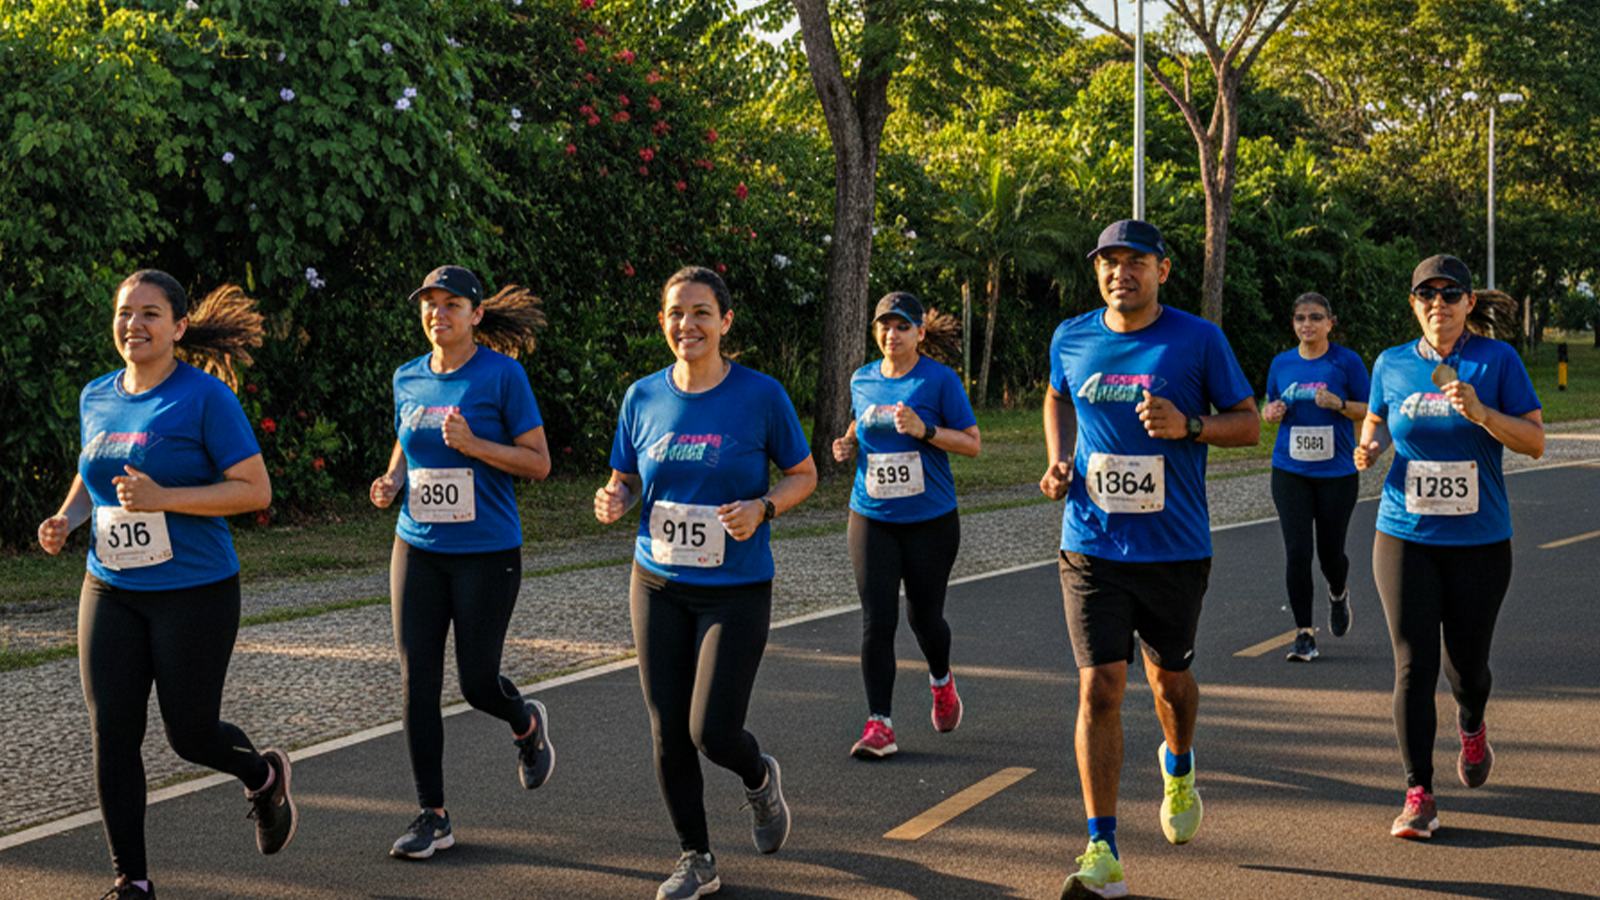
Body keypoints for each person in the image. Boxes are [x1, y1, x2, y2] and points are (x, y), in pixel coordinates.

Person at [36, 271, 294, 900]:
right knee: (113, 732)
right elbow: (91, 470)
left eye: (150, 314)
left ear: (178, 327)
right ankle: (133, 880)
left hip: (195, 589)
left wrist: (164, 498)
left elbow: (254, 490)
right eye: (126, 312)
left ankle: (262, 776)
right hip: (111, 588)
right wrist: (69, 517)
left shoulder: (205, 399)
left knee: (190, 735)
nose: (134, 325)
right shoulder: (96, 394)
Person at [1043, 221, 1259, 900]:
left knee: (1168, 685)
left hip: (1174, 548)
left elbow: (1249, 423)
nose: (1120, 273)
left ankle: (1180, 765)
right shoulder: (1071, 337)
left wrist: (1190, 425)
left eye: (1135, 262)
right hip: (1091, 542)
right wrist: (1058, 458)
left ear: (1163, 271)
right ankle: (1102, 847)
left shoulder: (1198, 339)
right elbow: (1056, 394)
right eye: (1109, 262)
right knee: (1100, 686)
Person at [594, 265, 816, 900]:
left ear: (725, 322)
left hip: (736, 587)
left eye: (699, 312)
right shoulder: (642, 397)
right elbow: (628, 479)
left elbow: (803, 474)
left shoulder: (761, 395)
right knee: (667, 728)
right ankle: (696, 856)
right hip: (657, 580)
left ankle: (757, 777)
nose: (685, 325)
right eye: (674, 313)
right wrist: (615, 497)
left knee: (712, 730)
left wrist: (764, 507)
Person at [1354, 254, 1542, 839]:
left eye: (1451, 294)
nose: (1439, 304)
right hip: (1404, 534)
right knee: (1413, 663)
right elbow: (1378, 422)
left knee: (1468, 671)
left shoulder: (1498, 360)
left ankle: (1473, 720)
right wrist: (1371, 448)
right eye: (1427, 295)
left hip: (1480, 541)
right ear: (1414, 305)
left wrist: (1485, 415)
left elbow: (1535, 441)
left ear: (1468, 304)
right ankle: (1419, 793)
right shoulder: (1389, 363)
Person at [369, 265, 554, 859]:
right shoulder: (407, 376)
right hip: (417, 547)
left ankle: (524, 723)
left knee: (477, 683)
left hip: (486, 553)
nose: (438, 314)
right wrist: (394, 477)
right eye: (430, 304)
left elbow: (539, 462)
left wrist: (475, 445)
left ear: (477, 314)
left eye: (452, 304)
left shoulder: (503, 376)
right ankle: (433, 815)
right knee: (416, 681)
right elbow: (408, 434)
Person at [831, 292, 980, 759]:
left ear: (919, 332)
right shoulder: (862, 378)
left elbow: (973, 444)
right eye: (884, 326)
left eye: (901, 327)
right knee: (877, 619)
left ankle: (941, 679)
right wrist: (848, 443)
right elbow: (862, 423)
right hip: (871, 516)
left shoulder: (940, 381)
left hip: (930, 520)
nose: (891, 335)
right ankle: (880, 724)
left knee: (924, 617)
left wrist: (926, 431)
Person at [1261, 293, 1370, 661]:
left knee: (1330, 554)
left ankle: (1338, 592)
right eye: (1300, 319)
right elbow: (1269, 404)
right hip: (1290, 469)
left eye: (1315, 318)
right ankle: (1304, 634)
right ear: (1293, 323)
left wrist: (1339, 404)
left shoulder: (1346, 362)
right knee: (1297, 551)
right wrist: (1270, 412)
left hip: (1336, 472)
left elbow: (1371, 410)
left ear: (1330, 323)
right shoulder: (1281, 363)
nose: (1307, 325)